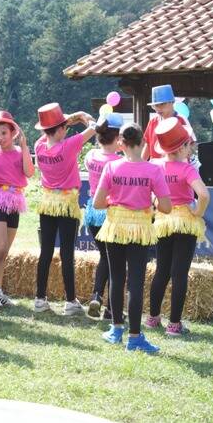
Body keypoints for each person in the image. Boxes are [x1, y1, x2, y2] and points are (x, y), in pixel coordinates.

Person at [93, 122, 171, 354]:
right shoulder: (154, 170)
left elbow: (97, 203)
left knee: (117, 279)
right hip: (139, 227)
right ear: (143, 142)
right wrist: (152, 201)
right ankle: (135, 337)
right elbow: (166, 207)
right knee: (135, 282)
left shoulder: (112, 167)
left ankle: (116, 329)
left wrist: (116, 203)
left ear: (121, 143)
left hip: (115, 226)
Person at [146, 117, 210, 336]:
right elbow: (203, 194)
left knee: (161, 270)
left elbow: (152, 195)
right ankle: (174, 325)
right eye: (188, 145)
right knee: (180, 273)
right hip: (184, 220)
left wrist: (155, 204)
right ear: (182, 147)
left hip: (163, 221)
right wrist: (198, 212)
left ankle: (153, 318)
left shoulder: (156, 166)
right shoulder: (187, 169)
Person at [33, 103, 96, 315]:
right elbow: (95, 126)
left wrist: (62, 122)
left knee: (46, 252)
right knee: (67, 252)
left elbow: (46, 135)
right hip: (67, 202)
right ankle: (70, 301)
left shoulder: (39, 147)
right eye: (64, 128)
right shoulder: (69, 145)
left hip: (47, 201)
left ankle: (40, 298)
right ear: (60, 129)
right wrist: (82, 115)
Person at [0, 110, 34, 308]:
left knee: (5, 250)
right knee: (1, 247)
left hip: (15, 201)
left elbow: (29, 172)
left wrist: (24, 146)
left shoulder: (21, 152)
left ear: (13, 133)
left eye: (4, 132)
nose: (0, 137)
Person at [83, 112, 123, 319]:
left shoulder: (90, 157)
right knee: (113, 260)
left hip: (92, 211)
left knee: (105, 257)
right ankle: (109, 306)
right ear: (118, 139)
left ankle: (98, 296)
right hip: (110, 213)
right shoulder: (118, 162)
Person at [142, 84, 194, 160]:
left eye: (162, 104)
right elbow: (147, 145)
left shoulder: (181, 119)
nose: (158, 108)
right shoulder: (152, 121)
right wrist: (139, 165)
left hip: (177, 166)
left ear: (172, 102)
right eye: (155, 105)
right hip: (156, 168)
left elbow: (191, 144)